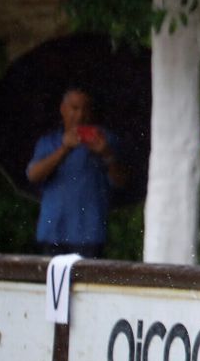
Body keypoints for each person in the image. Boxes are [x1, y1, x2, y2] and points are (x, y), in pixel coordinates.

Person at [25, 86, 126, 257]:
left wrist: (106, 153)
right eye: (74, 108)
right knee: (53, 283)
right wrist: (65, 149)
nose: (80, 115)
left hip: (89, 234)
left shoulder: (105, 140)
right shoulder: (49, 142)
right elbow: (33, 175)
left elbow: (121, 182)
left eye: (85, 109)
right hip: (53, 232)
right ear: (63, 109)